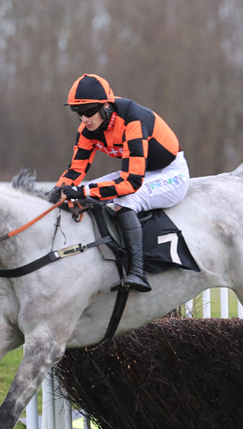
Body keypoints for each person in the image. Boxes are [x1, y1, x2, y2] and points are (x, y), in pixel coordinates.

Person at [53, 73, 189, 293]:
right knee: (80, 195)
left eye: (89, 111)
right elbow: (76, 169)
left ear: (106, 106)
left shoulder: (133, 120)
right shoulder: (87, 129)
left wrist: (82, 190)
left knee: (124, 201)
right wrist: (58, 190)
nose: (84, 119)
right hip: (141, 171)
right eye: (78, 112)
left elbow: (131, 183)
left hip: (171, 174)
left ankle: (138, 272)